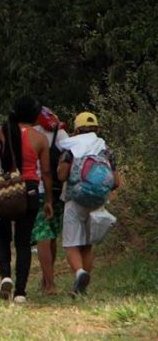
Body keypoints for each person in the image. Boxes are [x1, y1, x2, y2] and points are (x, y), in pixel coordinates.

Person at [0, 97, 53, 303]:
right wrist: (49, 200)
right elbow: (47, 173)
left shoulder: (3, 131)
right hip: (31, 191)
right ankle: (21, 293)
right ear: (35, 116)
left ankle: (6, 276)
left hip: (6, 190)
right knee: (23, 242)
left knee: (2, 237)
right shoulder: (40, 139)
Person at [57, 111, 119, 297]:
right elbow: (116, 182)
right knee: (87, 244)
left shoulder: (71, 149)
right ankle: (83, 287)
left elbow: (62, 175)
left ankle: (80, 273)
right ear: (97, 129)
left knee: (71, 244)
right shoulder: (106, 150)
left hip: (75, 199)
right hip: (98, 201)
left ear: (76, 130)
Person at [31, 107, 69, 295]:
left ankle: (50, 283)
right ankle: (47, 279)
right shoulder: (61, 133)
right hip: (57, 190)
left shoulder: (33, 133)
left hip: (38, 190)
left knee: (42, 235)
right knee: (52, 235)